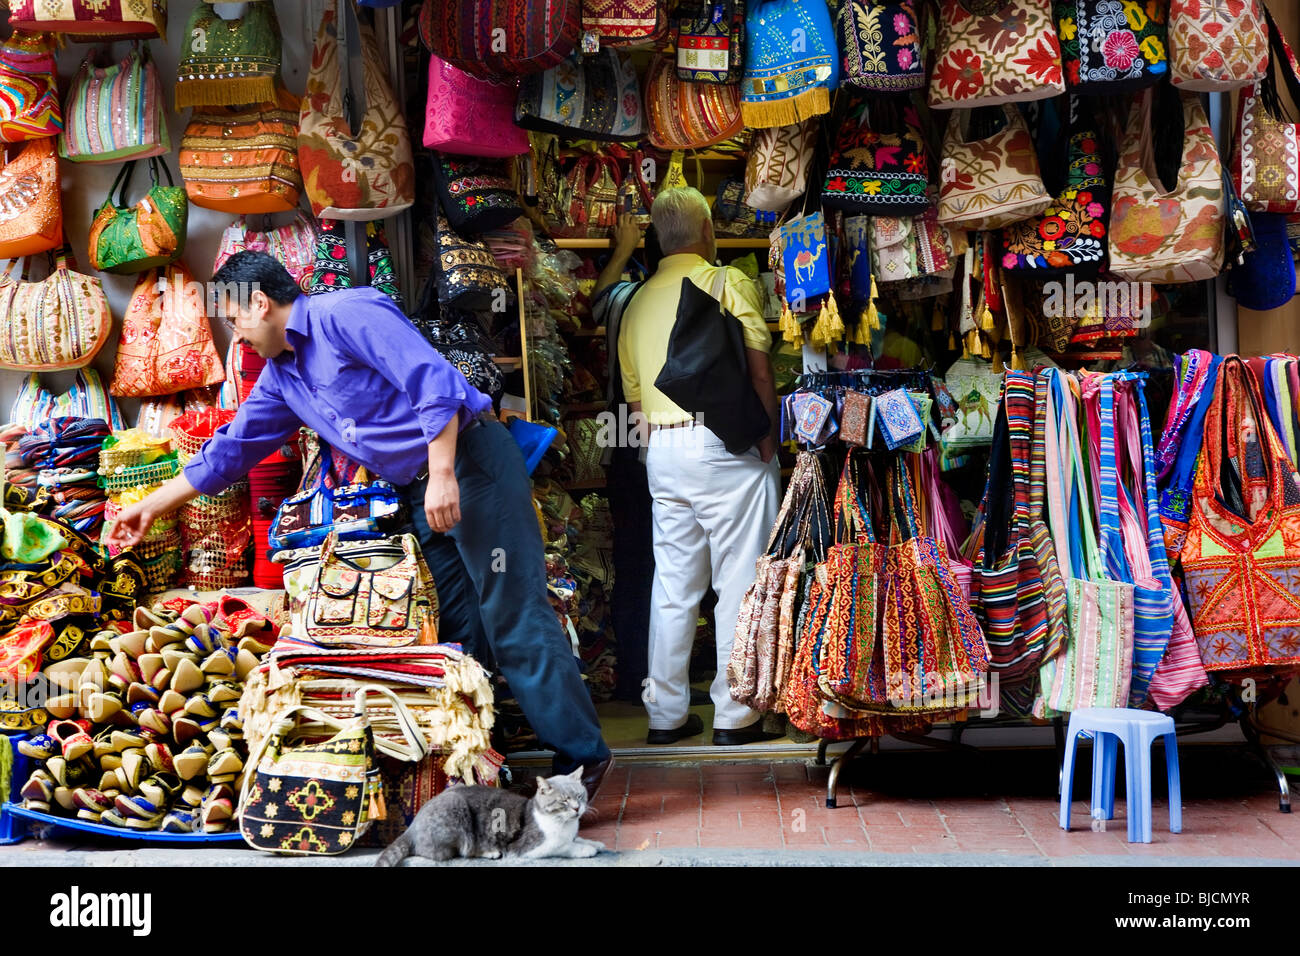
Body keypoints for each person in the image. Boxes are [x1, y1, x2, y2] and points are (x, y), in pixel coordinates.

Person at [105, 251, 613, 798]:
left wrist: (444, 475)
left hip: (470, 463)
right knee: (450, 627)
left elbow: (433, 382)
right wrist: (153, 504)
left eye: (235, 321)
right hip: (420, 486)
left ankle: (581, 762)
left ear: (259, 301)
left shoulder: (345, 313)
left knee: (513, 612)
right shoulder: (284, 377)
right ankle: (481, 759)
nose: (237, 338)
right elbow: (232, 450)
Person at [596, 189, 782, 746]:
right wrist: (767, 439)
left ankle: (666, 715)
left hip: (662, 452)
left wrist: (661, 451)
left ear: (656, 236)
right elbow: (759, 373)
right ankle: (734, 714)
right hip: (725, 444)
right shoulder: (726, 281)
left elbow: (634, 401)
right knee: (738, 581)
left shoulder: (633, 302)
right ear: (706, 230)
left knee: (674, 586)